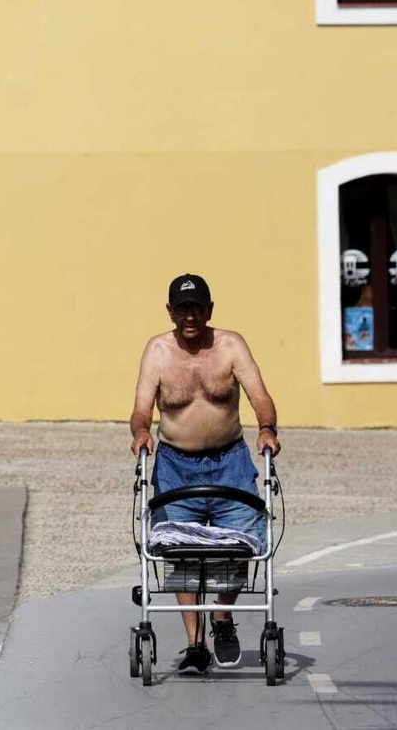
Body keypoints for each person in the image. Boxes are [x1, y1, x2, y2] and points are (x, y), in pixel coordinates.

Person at [130, 273, 280, 675]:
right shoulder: (158, 351)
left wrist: (267, 429)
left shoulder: (230, 345)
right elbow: (142, 407)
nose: (190, 316)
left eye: (197, 307)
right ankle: (194, 644)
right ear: (170, 312)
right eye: (182, 308)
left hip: (230, 462)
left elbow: (260, 396)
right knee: (181, 553)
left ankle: (223, 619)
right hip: (176, 466)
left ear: (210, 309)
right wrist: (141, 432)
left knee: (238, 546)